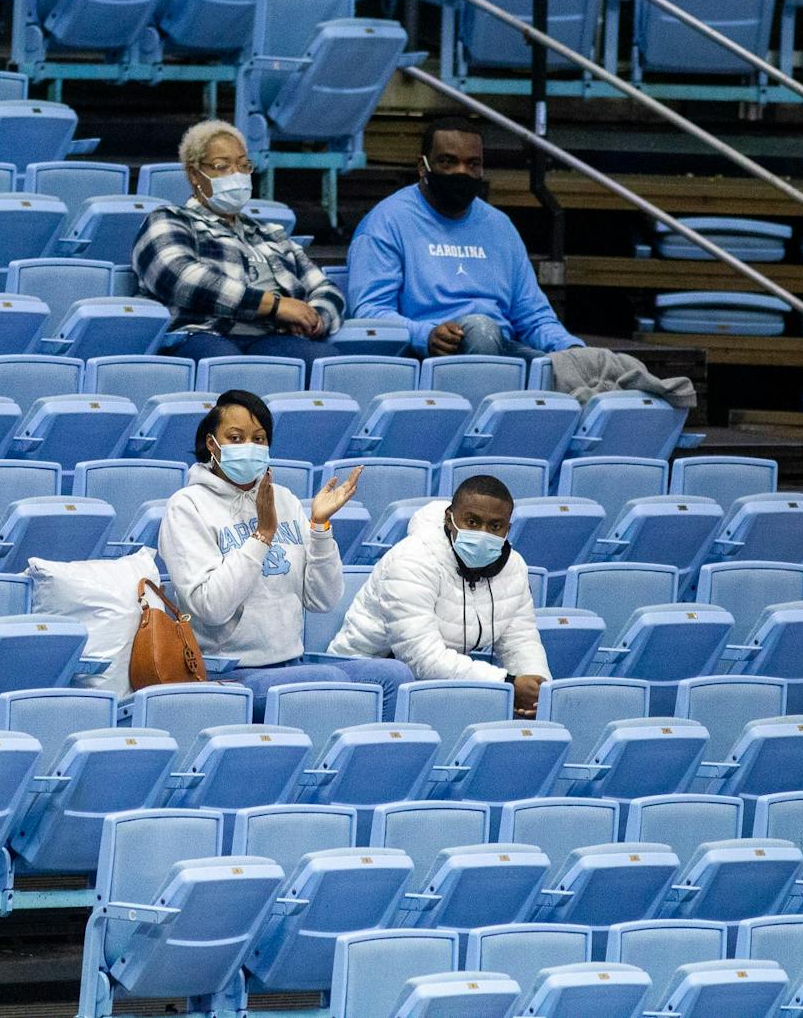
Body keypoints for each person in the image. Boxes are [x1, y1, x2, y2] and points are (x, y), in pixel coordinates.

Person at [158, 390, 414, 719]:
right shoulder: (187, 506)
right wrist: (262, 535)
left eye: (259, 439)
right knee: (327, 680)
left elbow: (322, 600)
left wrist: (319, 527)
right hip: (228, 672)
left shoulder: (285, 499)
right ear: (212, 444)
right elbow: (209, 607)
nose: (248, 446)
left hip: (293, 664)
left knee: (393, 677)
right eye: (235, 438)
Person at [347, 115, 584, 360]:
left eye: (473, 164)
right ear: (422, 166)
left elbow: (533, 317)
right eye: (448, 162)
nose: (462, 172)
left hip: (503, 349)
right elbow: (369, 311)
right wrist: (425, 334)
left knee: (600, 367)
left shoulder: (499, 225)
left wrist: (571, 349)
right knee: (481, 331)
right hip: (423, 356)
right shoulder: (387, 221)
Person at [327, 476, 549, 717]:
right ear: (449, 518)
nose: (483, 533)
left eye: (495, 526)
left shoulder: (513, 567)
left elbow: (521, 640)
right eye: (472, 522)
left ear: (508, 528)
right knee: (399, 675)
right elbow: (420, 656)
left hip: (435, 681)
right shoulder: (412, 559)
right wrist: (507, 682)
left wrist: (537, 691)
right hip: (365, 676)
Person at [134, 119, 344, 372]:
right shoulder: (169, 219)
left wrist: (313, 318)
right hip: (203, 334)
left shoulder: (271, 233)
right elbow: (180, 277)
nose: (236, 174)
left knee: (328, 363)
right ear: (194, 174)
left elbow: (325, 286)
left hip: (271, 337)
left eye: (243, 165)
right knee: (227, 366)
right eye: (222, 166)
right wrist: (274, 306)